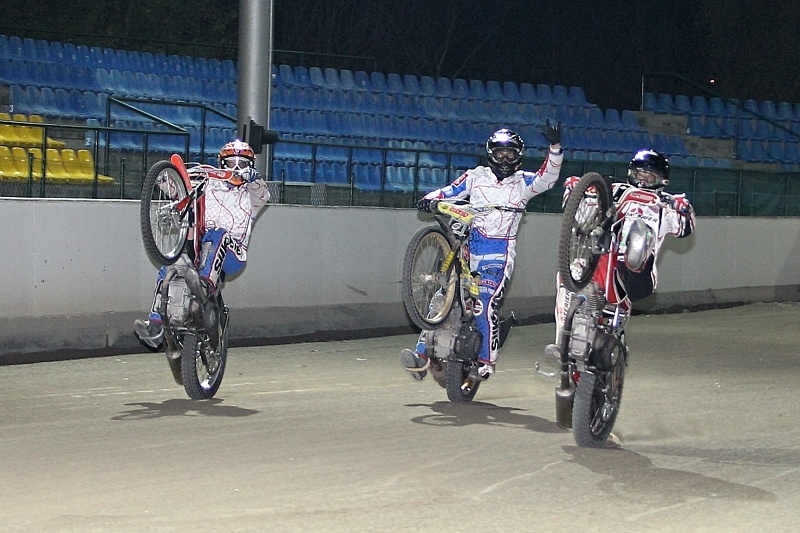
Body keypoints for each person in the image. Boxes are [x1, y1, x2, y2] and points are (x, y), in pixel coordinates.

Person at [401, 122, 564, 382]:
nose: (505, 159)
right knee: (441, 298)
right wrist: (430, 198)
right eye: (500, 153)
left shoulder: (523, 182)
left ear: (518, 157)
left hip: (498, 255)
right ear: (490, 154)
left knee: (484, 304)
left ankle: (487, 361)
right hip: (468, 248)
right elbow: (450, 191)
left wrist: (554, 148)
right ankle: (421, 356)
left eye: (510, 154)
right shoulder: (475, 176)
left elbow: (549, 178)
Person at [550, 148, 696, 345]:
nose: (643, 180)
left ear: (662, 181)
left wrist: (684, 209)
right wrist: (575, 191)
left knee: (638, 230)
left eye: (650, 176)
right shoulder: (612, 190)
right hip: (599, 262)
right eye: (639, 174)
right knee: (569, 273)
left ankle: (629, 259)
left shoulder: (665, 205)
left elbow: (685, 229)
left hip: (635, 275)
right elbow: (580, 217)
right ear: (631, 173)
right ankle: (562, 342)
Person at [134, 139, 270, 348]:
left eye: (242, 164)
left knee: (219, 234)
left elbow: (263, 193)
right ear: (221, 163)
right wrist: (163, 177)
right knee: (173, 261)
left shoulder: (251, 196)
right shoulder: (208, 184)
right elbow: (179, 191)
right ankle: (156, 325)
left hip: (232, 254)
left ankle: (205, 285)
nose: (236, 168)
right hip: (200, 249)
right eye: (231, 162)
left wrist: (253, 178)